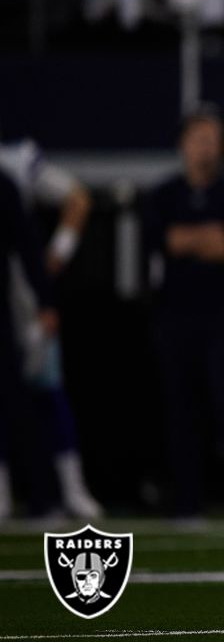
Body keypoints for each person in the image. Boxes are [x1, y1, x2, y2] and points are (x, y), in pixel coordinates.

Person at [143, 106, 224, 519]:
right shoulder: (164, 194)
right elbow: (165, 242)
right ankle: (187, 501)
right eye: (199, 138)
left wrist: (189, 239)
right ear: (182, 144)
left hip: (222, 314)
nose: (206, 147)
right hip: (175, 313)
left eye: (213, 139)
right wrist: (204, 239)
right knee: (180, 407)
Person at [0, 137, 102, 519]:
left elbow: (77, 199)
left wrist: (55, 256)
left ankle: (69, 490)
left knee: (43, 388)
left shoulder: (15, 162)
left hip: (22, 297)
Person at [0, 174, 58, 523]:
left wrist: (46, 301)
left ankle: (42, 494)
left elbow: (27, 245)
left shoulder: (3, 185)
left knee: (13, 399)